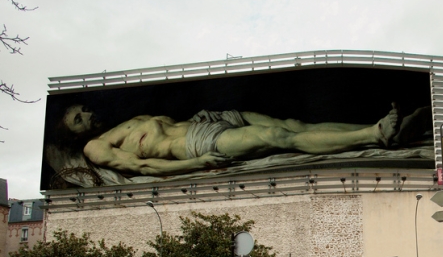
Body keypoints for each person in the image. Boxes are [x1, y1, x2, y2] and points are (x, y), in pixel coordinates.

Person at [57, 104, 411, 177]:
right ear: (71, 134)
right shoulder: (96, 147)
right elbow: (143, 165)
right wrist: (195, 164)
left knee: (291, 121)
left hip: (203, 119)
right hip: (198, 142)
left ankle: (374, 125)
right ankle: (376, 135)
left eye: (84, 109)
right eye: (77, 119)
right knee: (278, 136)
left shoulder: (122, 122)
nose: (87, 116)